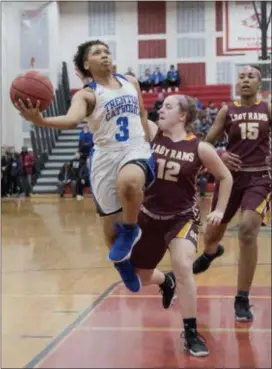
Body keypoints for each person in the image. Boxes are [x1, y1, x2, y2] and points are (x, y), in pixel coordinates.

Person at [15, 40, 154, 293]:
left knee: (130, 183)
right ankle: (122, 262)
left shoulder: (131, 82)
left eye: (106, 51)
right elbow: (71, 119)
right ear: (86, 65)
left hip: (135, 149)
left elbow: (143, 114)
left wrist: (148, 140)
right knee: (111, 236)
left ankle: (132, 230)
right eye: (97, 53)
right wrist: (41, 120)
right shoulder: (87, 95)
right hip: (105, 157)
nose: (104, 56)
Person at [129, 94, 233, 357]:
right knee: (138, 278)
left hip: (182, 217)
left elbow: (225, 176)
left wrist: (219, 209)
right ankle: (166, 282)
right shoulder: (152, 133)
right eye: (161, 106)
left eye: (168, 107)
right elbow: (140, 109)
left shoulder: (200, 148)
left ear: (183, 115)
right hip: (149, 216)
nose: (160, 110)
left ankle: (190, 332)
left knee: (184, 265)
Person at [193, 65, 271, 322]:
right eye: (242, 77)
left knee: (248, 230)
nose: (245, 80)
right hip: (230, 179)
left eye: (251, 77)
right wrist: (221, 155)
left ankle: (242, 297)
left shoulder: (268, 108)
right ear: (237, 83)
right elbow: (205, 144)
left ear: (260, 83)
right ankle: (210, 252)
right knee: (213, 231)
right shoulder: (228, 110)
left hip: (260, 177)